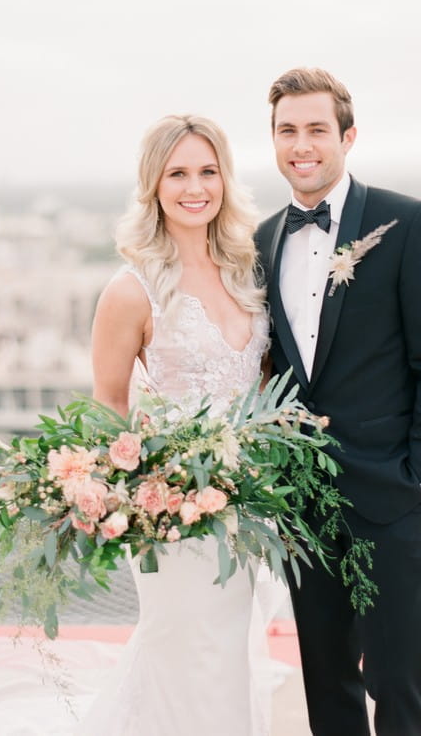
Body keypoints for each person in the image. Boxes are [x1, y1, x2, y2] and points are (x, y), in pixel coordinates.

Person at [255, 67, 421, 736]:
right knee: (328, 686)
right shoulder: (262, 241)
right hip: (305, 505)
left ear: (348, 136)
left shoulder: (408, 223)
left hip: (390, 496)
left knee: (397, 684)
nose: (302, 144)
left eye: (317, 128)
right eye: (288, 130)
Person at [78, 115, 270, 736]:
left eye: (208, 171)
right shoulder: (130, 291)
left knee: (229, 657)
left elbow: (265, 386)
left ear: (225, 179)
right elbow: (107, 401)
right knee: (187, 652)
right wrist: (131, 496)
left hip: (248, 509)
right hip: (171, 515)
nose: (196, 187)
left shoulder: (250, 275)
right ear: (153, 186)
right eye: (178, 173)